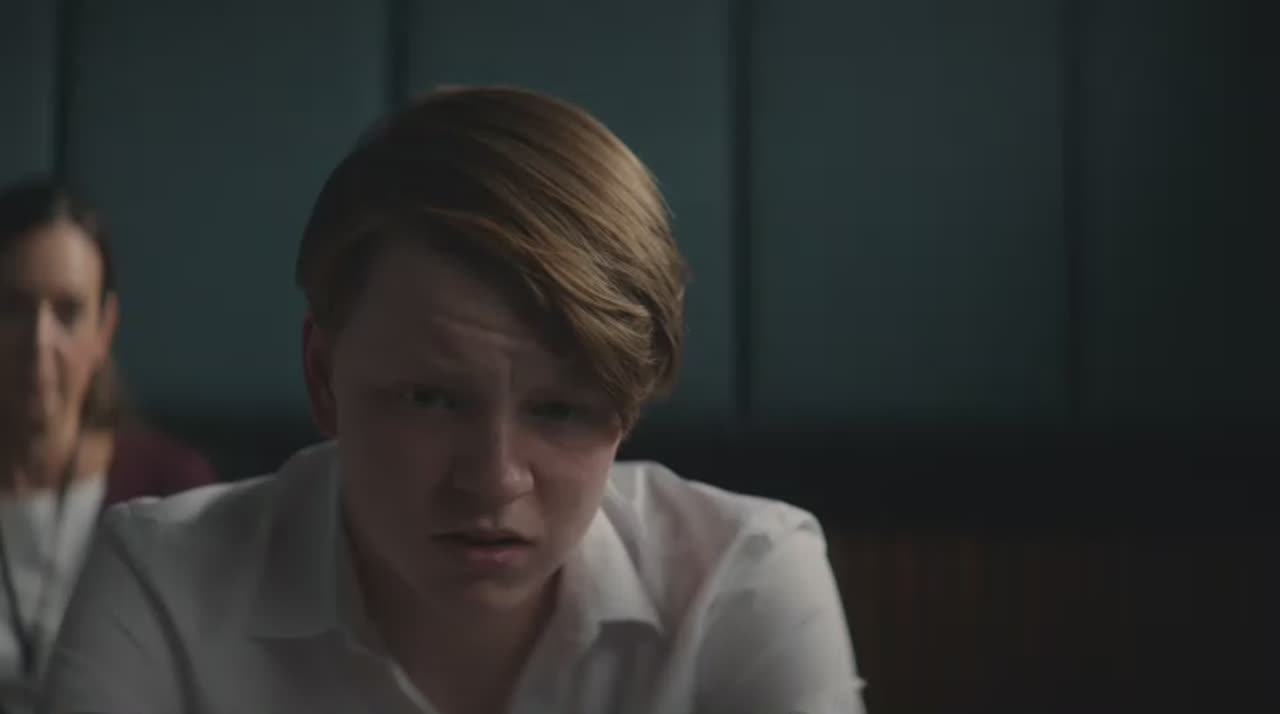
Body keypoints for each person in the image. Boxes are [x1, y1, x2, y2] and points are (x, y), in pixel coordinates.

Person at [41, 87, 864, 713]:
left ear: (627, 408)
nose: (494, 480)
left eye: (561, 410)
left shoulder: (740, 583)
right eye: (431, 399)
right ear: (324, 379)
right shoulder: (166, 583)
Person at [0, 179, 218, 712]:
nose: (39, 342)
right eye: (14, 307)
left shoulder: (175, 492)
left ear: (105, 328)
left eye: (68, 312)